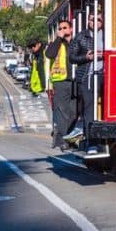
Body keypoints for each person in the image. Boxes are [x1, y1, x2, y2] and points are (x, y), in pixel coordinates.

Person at [68, 13, 104, 153]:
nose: (95, 22)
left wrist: (105, 55)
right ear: (88, 21)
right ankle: (91, 142)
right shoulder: (81, 36)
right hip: (88, 77)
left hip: (106, 75)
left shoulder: (109, 35)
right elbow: (72, 57)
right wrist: (86, 57)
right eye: (92, 19)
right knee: (89, 109)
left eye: (98, 19)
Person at [44, 18, 76, 150]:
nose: (63, 30)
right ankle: (63, 140)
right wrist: (58, 39)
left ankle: (72, 136)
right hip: (61, 81)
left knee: (74, 111)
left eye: (65, 28)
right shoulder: (57, 43)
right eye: (60, 28)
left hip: (76, 80)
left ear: (71, 29)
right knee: (62, 111)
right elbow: (49, 54)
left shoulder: (77, 41)